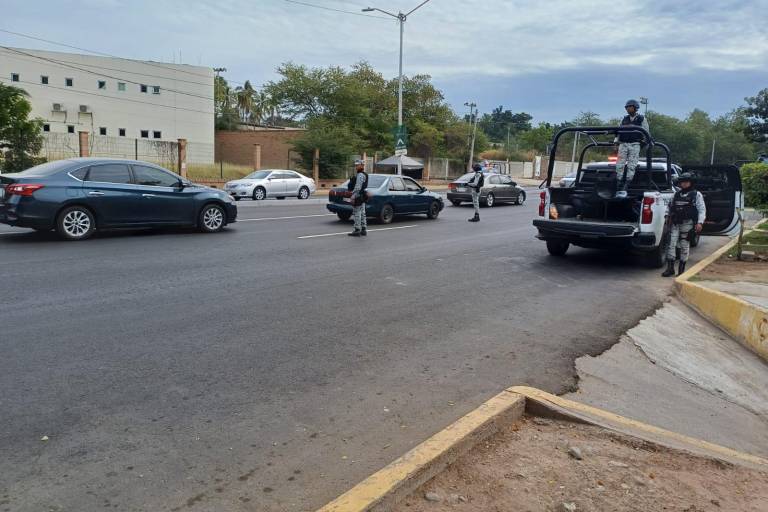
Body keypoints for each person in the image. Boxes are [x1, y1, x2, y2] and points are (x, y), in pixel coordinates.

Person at [662, 173, 706, 277]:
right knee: (671, 244)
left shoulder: (696, 194)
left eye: (686, 181)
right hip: (675, 223)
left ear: (691, 182)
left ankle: (681, 270)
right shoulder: (676, 194)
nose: (684, 184)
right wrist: (667, 217)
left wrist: (700, 222)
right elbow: (669, 207)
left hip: (688, 224)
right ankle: (670, 268)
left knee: (684, 246)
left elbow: (702, 209)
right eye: (682, 182)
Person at [614, 99, 650, 198]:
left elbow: (646, 132)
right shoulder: (624, 119)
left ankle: (627, 184)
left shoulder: (641, 119)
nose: (628, 109)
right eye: (627, 107)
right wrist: (616, 142)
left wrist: (644, 143)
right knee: (619, 164)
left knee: (632, 164)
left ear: (635, 108)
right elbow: (618, 131)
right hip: (624, 143)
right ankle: (618, 182)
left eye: (630, 107)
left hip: (635, 143)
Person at [348, 159, 368, 237]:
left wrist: (353, 196)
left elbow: (358, 187)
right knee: (362, 213)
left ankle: (357, 230)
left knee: (357, 213)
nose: (356, 166)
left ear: (362, 165)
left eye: (357, 165)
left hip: (358, 196)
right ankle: (363, 229)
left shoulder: (360, 175)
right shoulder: (365, 174)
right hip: (362, 196)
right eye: (356, 165)